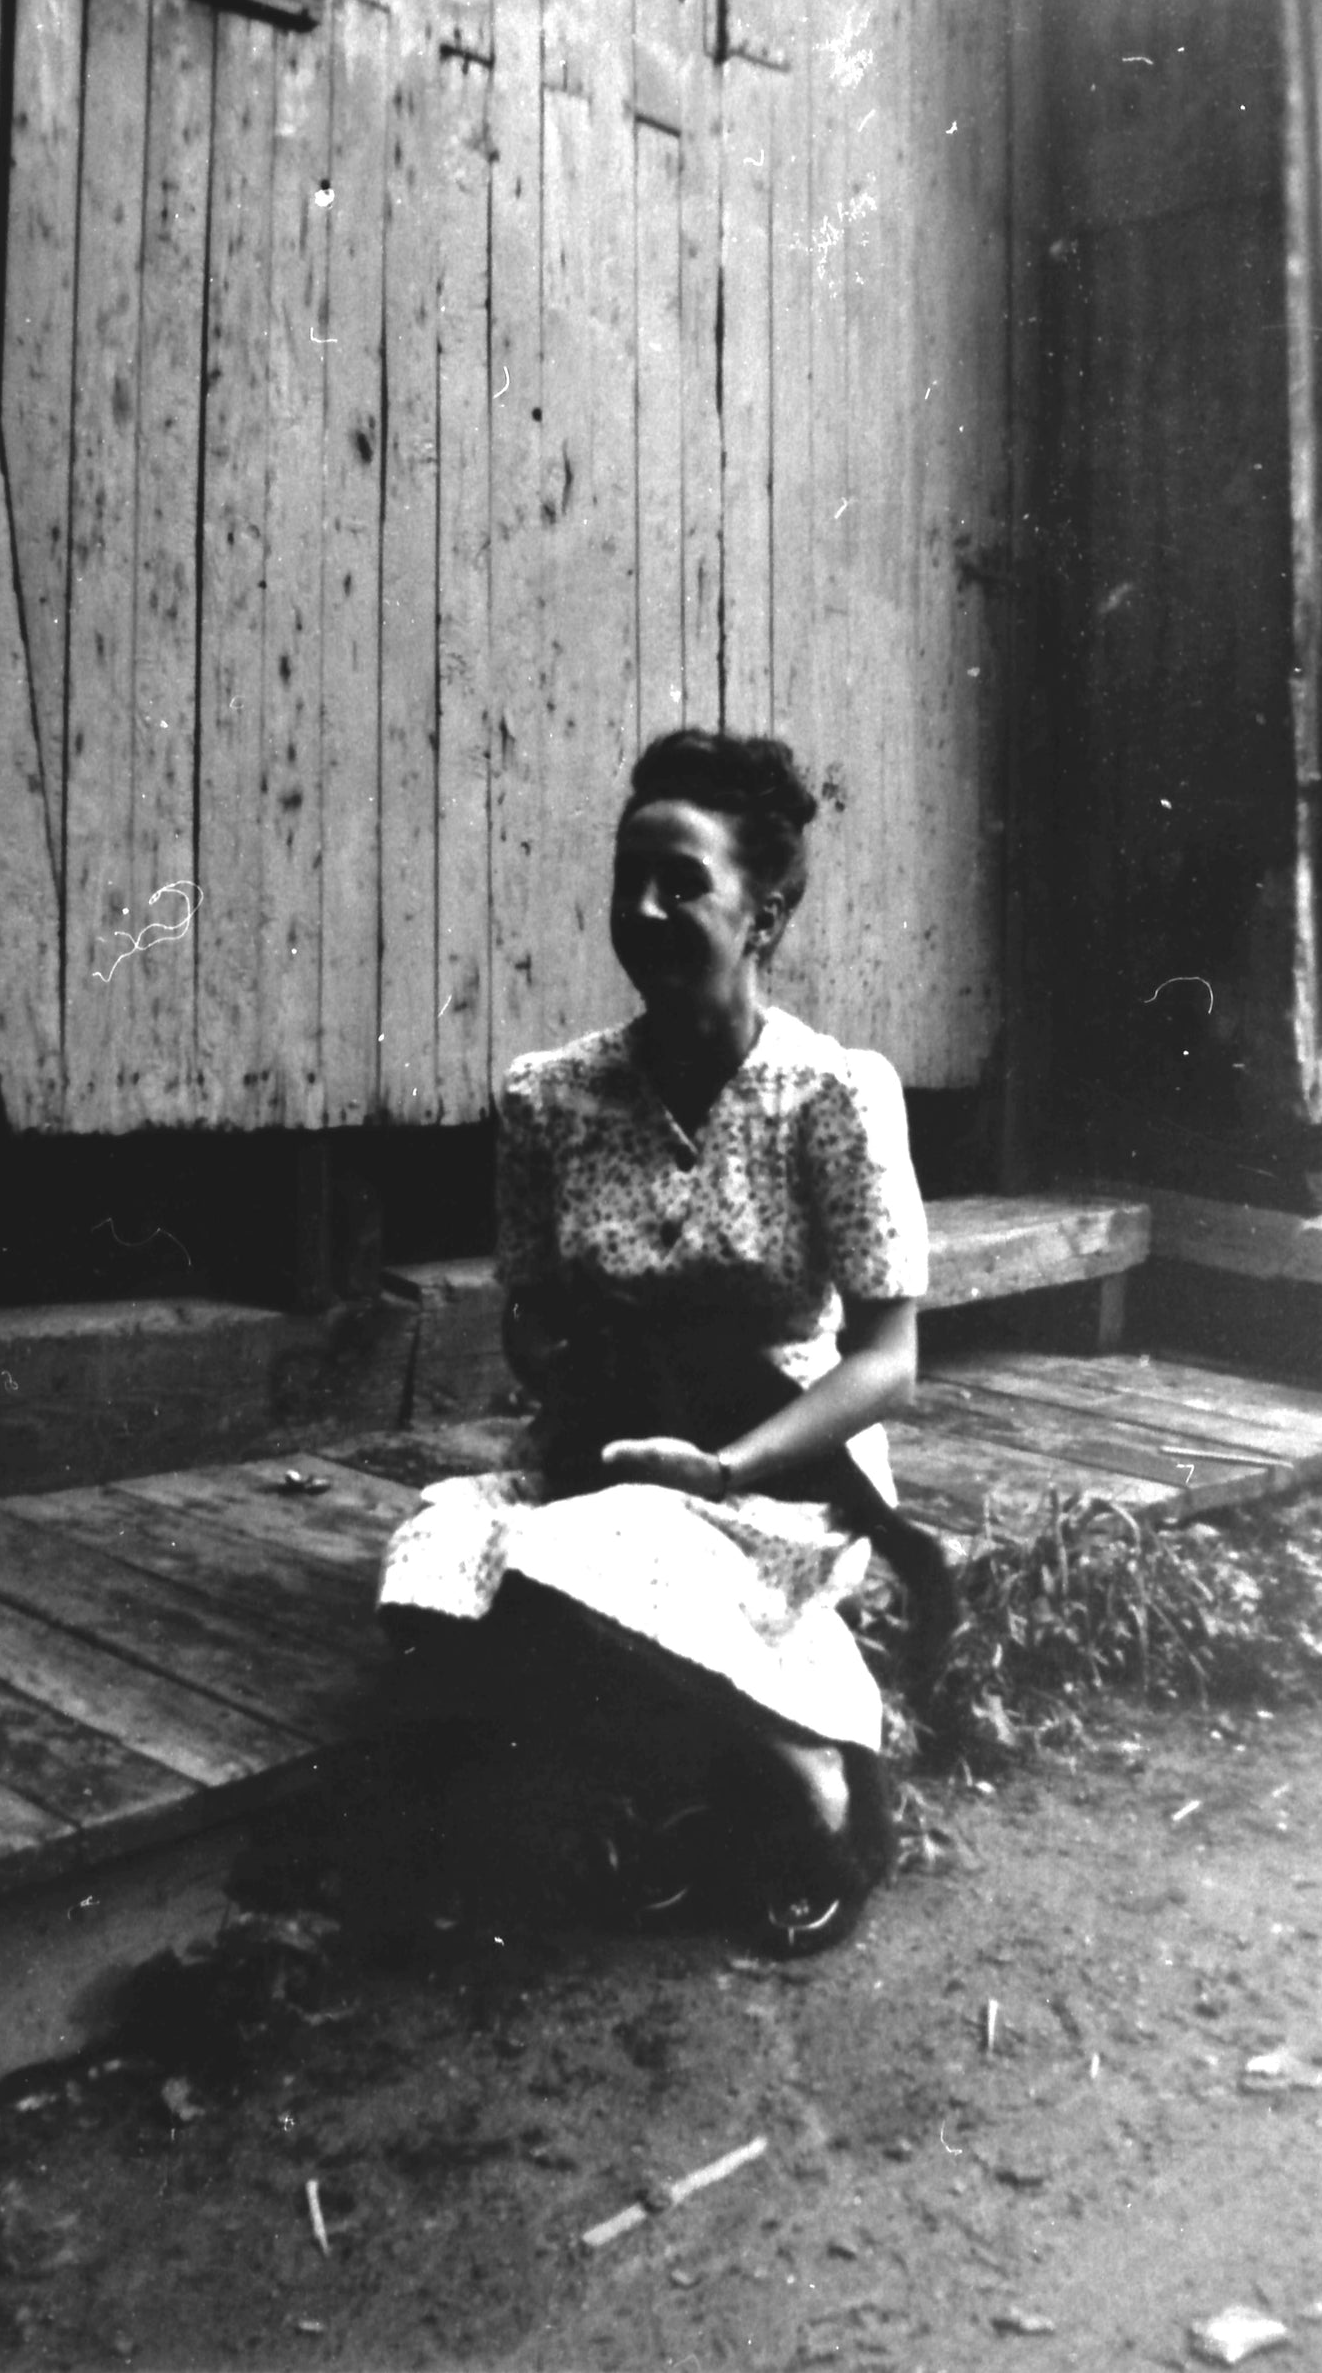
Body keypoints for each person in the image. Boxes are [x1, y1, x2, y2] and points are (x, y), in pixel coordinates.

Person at [377, 728, 948, 1953]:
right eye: (626, 883)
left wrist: (728, 1465)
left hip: (780, 1469)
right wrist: (579, 1372)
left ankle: (820, 1774)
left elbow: (887, 1361)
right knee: (434, 1559)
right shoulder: (550, 1097)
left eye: (681, 884)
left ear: (765, 913)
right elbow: (528, 1315)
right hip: (610, 1443)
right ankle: (694, 1782)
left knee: (581, 1562)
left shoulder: (833, 1095)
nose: (641, 912)